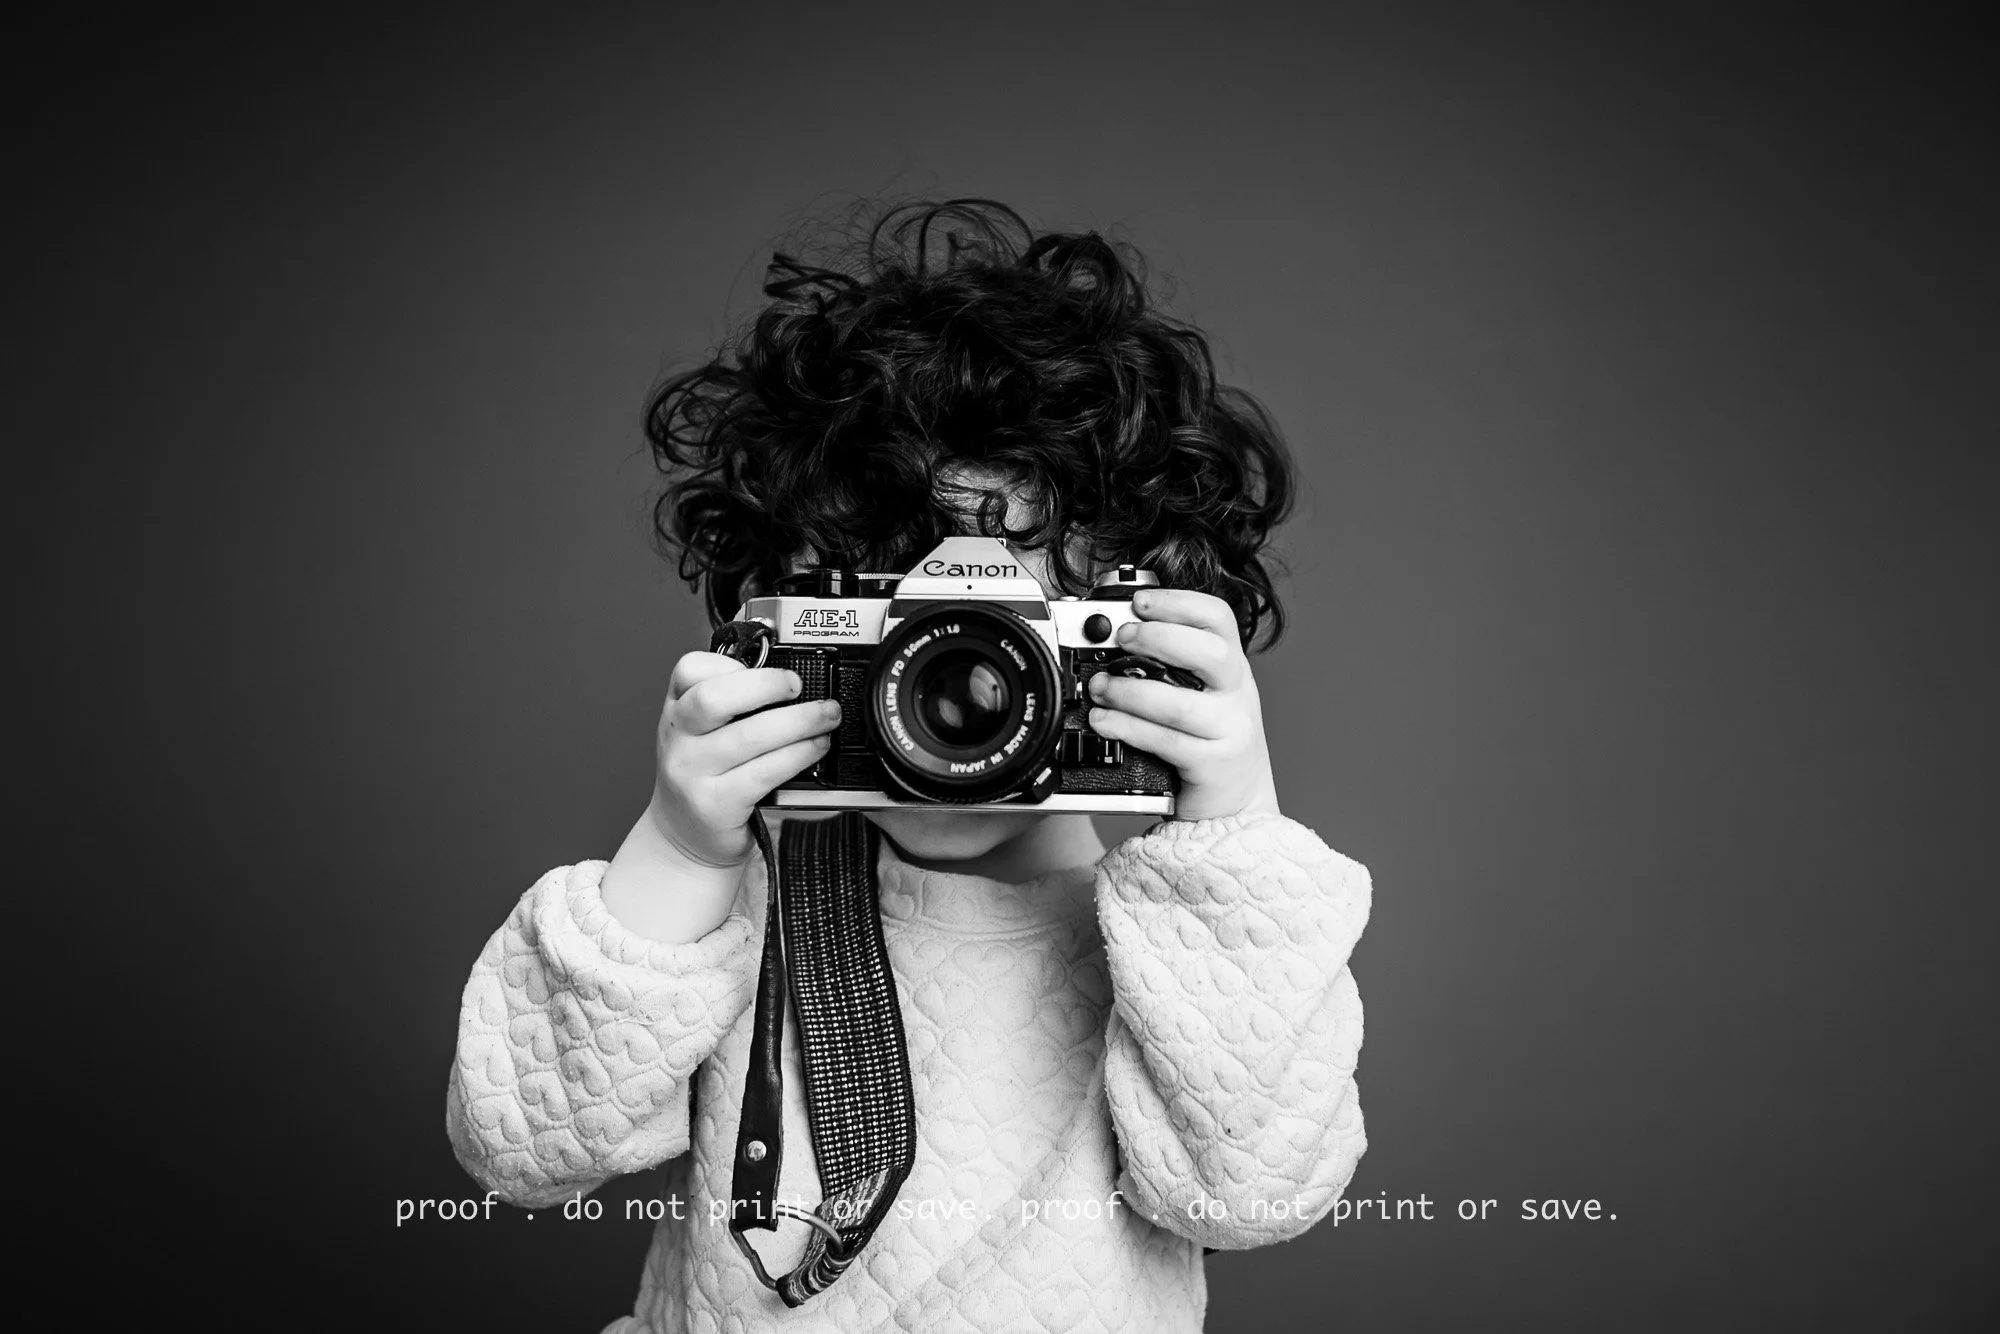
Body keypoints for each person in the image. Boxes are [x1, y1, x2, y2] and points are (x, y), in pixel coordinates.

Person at [446, 199, 1372, 1333]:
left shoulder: (1174, 944)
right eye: (905, 623)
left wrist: (1230, 835)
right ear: (798, 610)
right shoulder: (737, 897)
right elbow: (521, 1149)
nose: (960, 689)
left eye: (1014, 634)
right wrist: (678, 849)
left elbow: (1249, 1195)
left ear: (1129, 632)